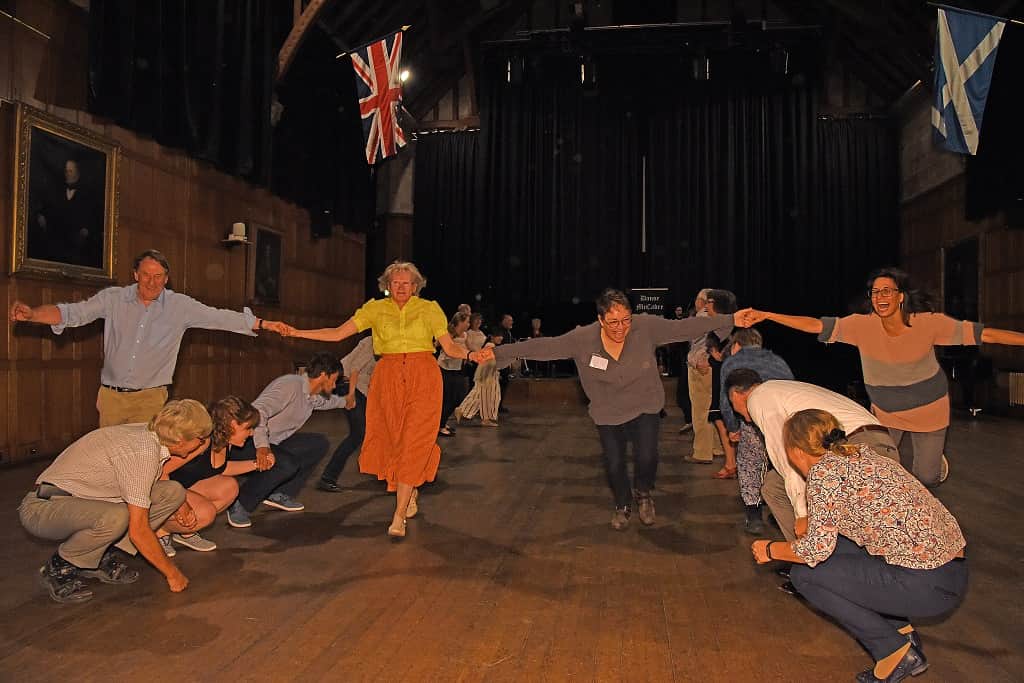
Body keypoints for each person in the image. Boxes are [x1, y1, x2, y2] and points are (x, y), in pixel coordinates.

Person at [738, 266, 1024, 485]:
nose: (880, 297)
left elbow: (984, 334)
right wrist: (768, 315)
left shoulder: (929, 324)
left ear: (901, 297)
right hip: (886, 413)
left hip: (929, 409)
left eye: (887, 291)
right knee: (880, 470)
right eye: (875, 292)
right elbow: (815, 325)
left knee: (925, 478)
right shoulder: (861, 327)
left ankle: (935, 465)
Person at [482, 288, 735, 529]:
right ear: (601, 320)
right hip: (608, 410)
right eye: (614, 322)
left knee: (647, 457)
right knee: (614, 464)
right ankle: (623, 504)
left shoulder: (644, 327)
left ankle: (644, 493)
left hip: (644, 403)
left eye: (626, 320)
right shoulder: (583, 339)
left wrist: (731, 318)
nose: (621, 328)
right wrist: (500, 352)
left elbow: (684, 327)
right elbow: (545, 346)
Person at [272, 262, 489, 538]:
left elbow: (448, 346)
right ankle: (408, 491)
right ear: (387, 285)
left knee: (415, 440)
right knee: (395, 442)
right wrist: (296, 332)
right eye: (395, 283)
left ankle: (398, 517)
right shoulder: (375, 309)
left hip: (423, 376)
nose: (400, 288)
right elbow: (339, 333)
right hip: (387, 378)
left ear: (415, 286)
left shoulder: (429, 309)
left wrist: (470, 355)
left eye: (406, 283)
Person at [751, 409, 967, 683]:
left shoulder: (824, 475)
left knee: (805, 576)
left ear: (795, 451)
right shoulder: (860, 456)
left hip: (926, 584)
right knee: (837, 550)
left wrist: (770, 550)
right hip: (951, 573)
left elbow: (814, 551)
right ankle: (901, 633)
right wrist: (813, 522)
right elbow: (868, 514)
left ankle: (894, 653)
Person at [9, 249, 281, 427]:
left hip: (150, 398)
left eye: (159, 276)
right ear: (135, 275)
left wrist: (263, 323)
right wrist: (33, 314)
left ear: (167, 279)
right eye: (146, 275)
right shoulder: (113, 299)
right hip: (111, 398)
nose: (152, 282)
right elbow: (71, 314)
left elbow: (219, 317)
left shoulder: (179, 306)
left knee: (142, 459)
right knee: (111, 457)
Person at [18, 399, 213, 603]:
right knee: (116, 517)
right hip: (43, 508)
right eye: (200, 439)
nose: (202, 445)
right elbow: (139, 530)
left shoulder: (152, 435)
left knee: (172, 492)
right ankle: (59, 566)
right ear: (181, 440)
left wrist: (181, 505)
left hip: (81, 501)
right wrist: (173, 574)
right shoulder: (143, 452)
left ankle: (97, 556)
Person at [725, 371, 900, 543]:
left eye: (733, 405)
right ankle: (805, 557)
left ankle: (809, 553)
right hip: (875, 440)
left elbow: (786, 458)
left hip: (856, 445)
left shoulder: (759, 398)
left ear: (735, 395)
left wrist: (803, 515)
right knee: (773, 487)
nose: (741, 416)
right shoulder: (780, 389)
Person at [224, 352, 345, 528]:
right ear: (323, 375)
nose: (334, 386)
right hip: (247, 443)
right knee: (288, 464)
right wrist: (262, 447)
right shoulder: (290, 385)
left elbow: (327, 402)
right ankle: (239, 502)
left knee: (318, 444)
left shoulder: (312, 396)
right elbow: (258, 411)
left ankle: (277, 493)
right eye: (334, 380)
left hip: (273, 443)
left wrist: (347, 401)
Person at [158, 396, 265, 555]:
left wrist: (257, 465)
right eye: (248, 428)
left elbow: (219, 469)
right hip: (160, 489)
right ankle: (160, 530)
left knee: (229, 487)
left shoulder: (224, 442)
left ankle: (186, 532)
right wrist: (181, 505)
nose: (251, 433)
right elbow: (161, 471)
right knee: (206, 513)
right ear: (233, 425)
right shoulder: (201, 442)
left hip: (183, 486)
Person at [718, 328, 794, 534]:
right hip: (784, 421)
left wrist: (732, 428)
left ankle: (754, 515)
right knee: (784, 468)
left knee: (749, 463)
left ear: (736, 345)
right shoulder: (778, 361)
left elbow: (726, 401)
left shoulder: (732, 363)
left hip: (753, 423)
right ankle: (786, 511)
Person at [318, 335, 378, 492]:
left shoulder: (388, 345)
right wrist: (350, 395)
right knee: (358, 433)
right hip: (348, 384)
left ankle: (381, 471)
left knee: (371, 431)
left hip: (360, 389)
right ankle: (327, 477)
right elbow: (354, 370)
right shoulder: (373, 341)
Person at [30, 158, 103, 266]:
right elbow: (48, 208)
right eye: (66, 171)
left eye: (70, 171)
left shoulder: (88, 195)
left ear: (77, 174)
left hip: (77, 245)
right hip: (58, 241)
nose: (67, 174)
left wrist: (86, 230)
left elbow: (94, 218)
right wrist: (42, 216)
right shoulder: (57, 191)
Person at [684, 288, 724, 464]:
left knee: (701, 409)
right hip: (714, 366)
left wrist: (701, 359)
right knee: (713, 405)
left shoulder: (701, 317)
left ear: (701, 301)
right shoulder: (721, 317)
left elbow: (695, 342)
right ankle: (717, 447)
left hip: (701, 366)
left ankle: (702, 452)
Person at [704, 289, 739, 479]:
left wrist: (715, 355)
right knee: (721, 420)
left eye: (710, 302)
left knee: (724, 420)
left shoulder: (727, 326)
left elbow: (724, 354)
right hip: (721, 377)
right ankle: (731, 462)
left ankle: (732, 463)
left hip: (727, 379)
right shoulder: (719, 326)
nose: (706, 305)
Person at [454, 328, 503, 427]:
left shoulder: (490, 346)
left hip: (487, 373)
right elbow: (489, 362)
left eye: (501, 336)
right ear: (492, 337)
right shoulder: (490, 346)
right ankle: (485, 418)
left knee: (480, 394)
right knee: (489, 396)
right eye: (498, 336)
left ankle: (463, 410)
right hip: (488, 374)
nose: (500, 338)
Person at [438, 312, 471, 437]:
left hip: (457, 368)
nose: (468, 324)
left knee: (457, 397)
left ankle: (442, 422)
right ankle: (440, 426)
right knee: (449, 398)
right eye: (467, 321)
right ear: (460, 322)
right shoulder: (449, 333)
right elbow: (439, 345)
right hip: (445, 368)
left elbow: (466, 348)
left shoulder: (465, 335)